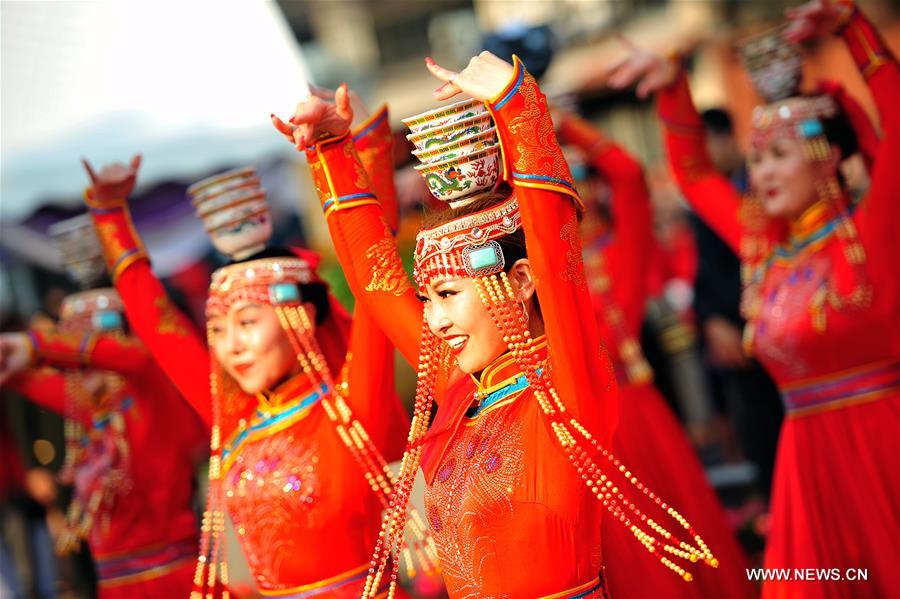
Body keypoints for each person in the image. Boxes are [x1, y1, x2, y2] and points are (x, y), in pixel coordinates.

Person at [274, 52, 718, 599]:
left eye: (448, 294)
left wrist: (517, 104)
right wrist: (333, 153)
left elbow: (559, 255)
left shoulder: (565, 389)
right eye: (427, 298)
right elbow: (375, 283)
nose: (432, 321)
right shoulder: (458, 393)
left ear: (523, 280)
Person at [607, 0, 900, 595]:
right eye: (756, 157)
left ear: (829, 158)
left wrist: (855, 31)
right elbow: (693, 174)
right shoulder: (766, 251)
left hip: (884, 442)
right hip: (804, 462)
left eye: (778, 154)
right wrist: (673, 90)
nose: (760, 172)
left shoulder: (873, 233)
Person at [80, 108, 423, 597]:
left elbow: (374, 278)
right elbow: (161, 330)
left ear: (298, 318)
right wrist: (110, 216)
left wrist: (343, 153)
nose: (230, 346)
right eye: (217, 328)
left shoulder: (348, 409)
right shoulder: (236, 419)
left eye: (246, 323)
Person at [558, 113, 755, 598]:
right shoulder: (537, 269)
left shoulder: (623, 247)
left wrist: (562, 124)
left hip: (636, 412)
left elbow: (627, 173)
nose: (576, 192)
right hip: (581, 429)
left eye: (582, 178)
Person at [0, 288, 205, 599]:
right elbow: (22, 378)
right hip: (115, 587)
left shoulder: (149, 397)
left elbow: (132, 358)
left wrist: (39, 345)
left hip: (171, 584)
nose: (76, 359)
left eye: (85, 341)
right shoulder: (93, 412)